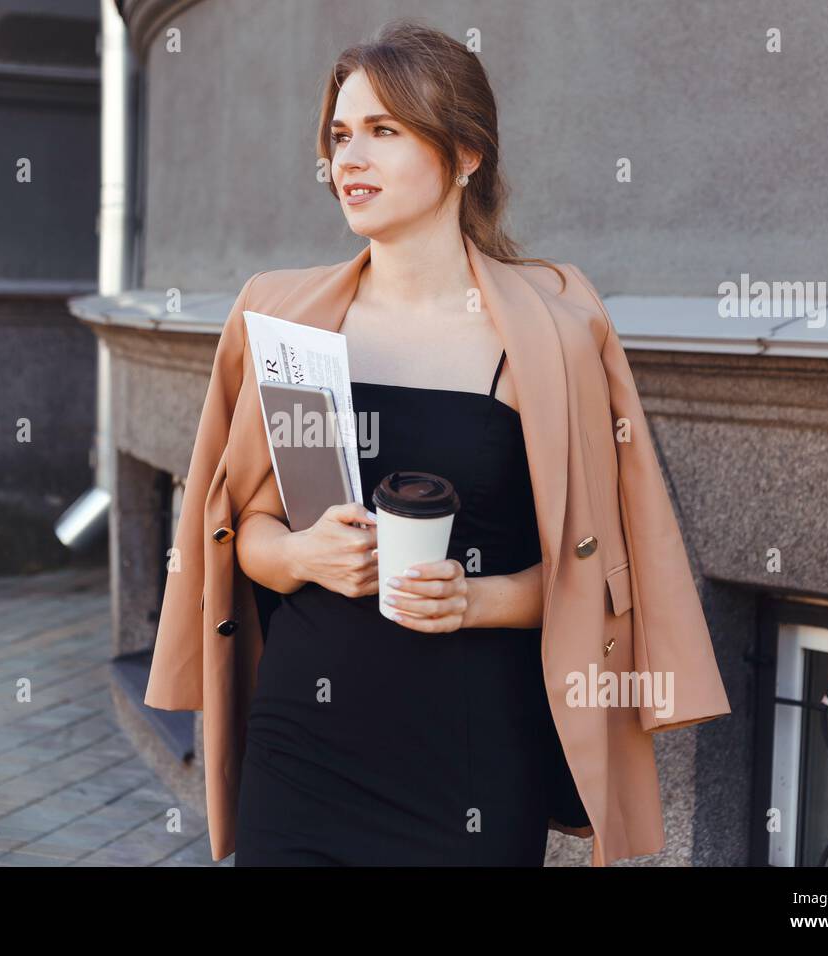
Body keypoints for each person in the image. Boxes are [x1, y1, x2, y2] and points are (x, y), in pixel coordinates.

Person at [230, 19, 591, 866]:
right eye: (340, 136)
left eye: (383, 132)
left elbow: (592, 571)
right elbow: (247, 527)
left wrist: (474, 599)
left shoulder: (548, 333)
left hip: (468, 759)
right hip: (299, 753)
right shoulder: (289, 318)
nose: (347, 161)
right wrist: (300, 557)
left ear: (466, 152)